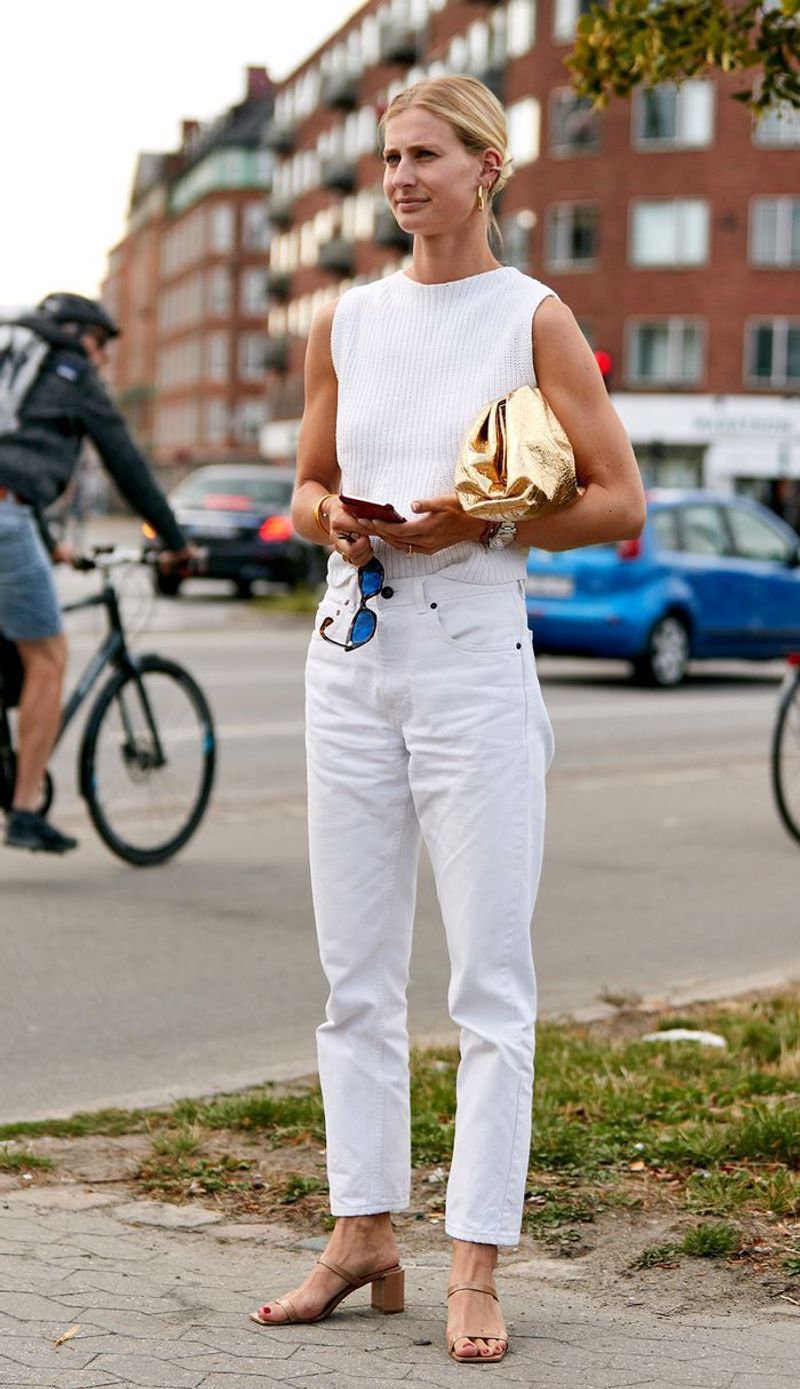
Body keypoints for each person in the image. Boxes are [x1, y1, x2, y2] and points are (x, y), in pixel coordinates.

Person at [250, 76, 646, 1364]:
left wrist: (482, 520)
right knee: (351, 976)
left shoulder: (532, 315)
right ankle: (360, 1231)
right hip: (349, 651)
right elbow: (304, 481)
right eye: (387, 159)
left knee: (488, 983)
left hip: (474, 657)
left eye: (424, 156)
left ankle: (475, 1263)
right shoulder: (347, 323)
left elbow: (618, 499)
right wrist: (329, 516)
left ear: (487, 169)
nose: (399, 178)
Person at [0, 292, 193, 854]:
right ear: (76, 333)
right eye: (102, 343)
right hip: (7, 516)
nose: (103, 358)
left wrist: (49, 543)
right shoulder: (71, 370)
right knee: (49, 657)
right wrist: (175, 542)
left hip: (16, 515)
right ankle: (27, 808)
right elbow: (125, 462)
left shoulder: (14, 357)